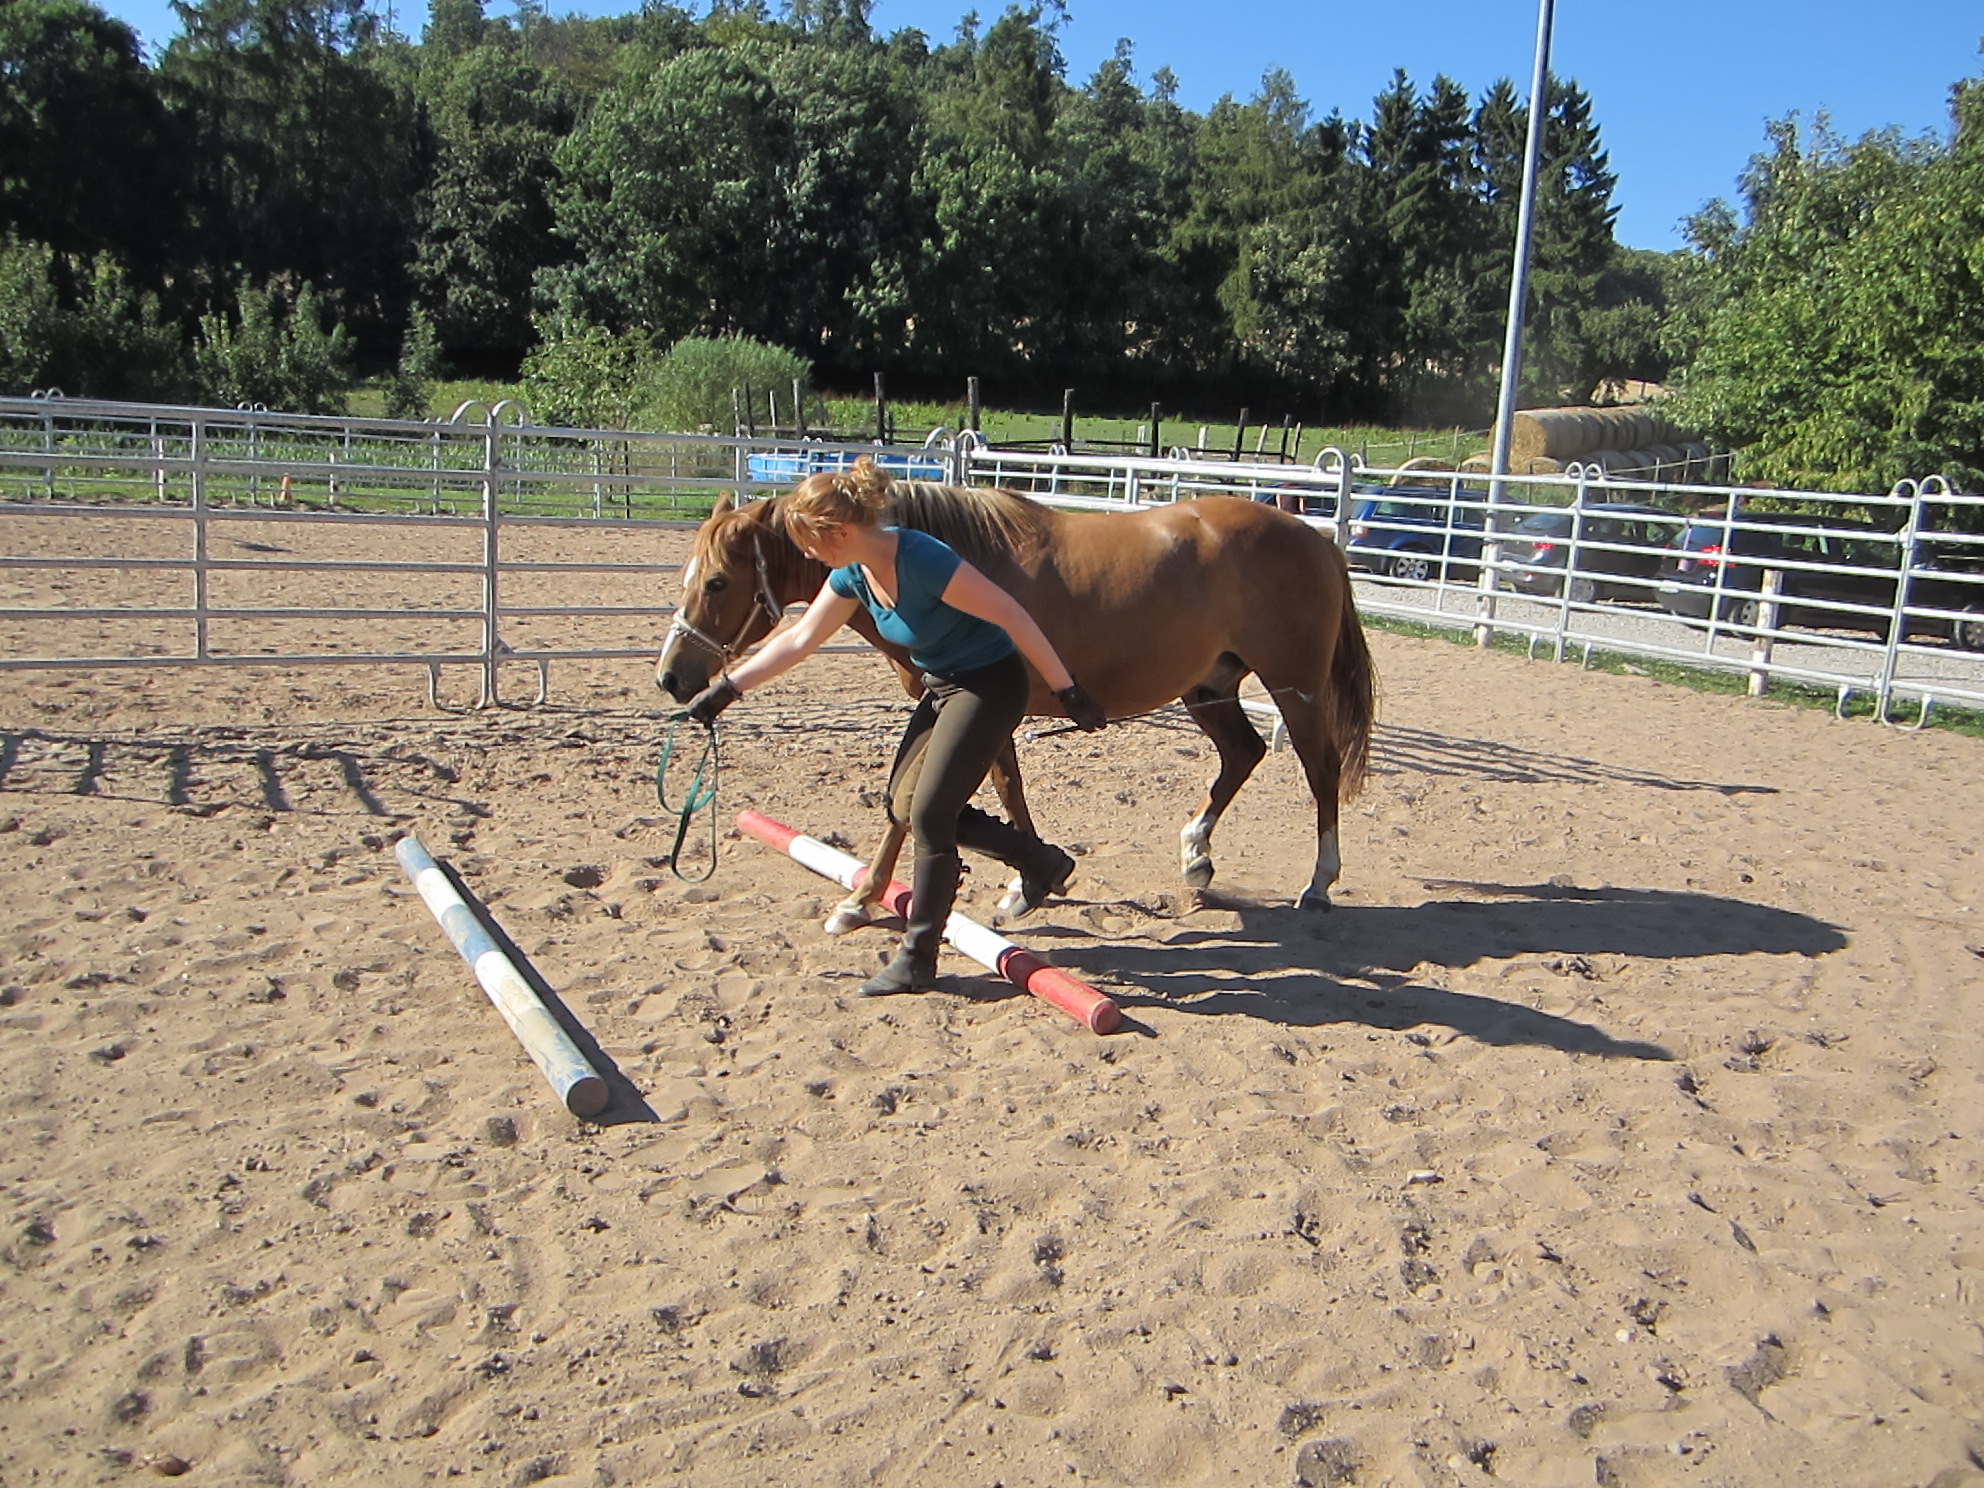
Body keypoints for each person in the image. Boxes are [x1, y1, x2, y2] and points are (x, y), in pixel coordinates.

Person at [682, 458, 1107, 997]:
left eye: (811, 544)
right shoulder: (851, 573)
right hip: (944, 686)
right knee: (902, 805)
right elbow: (797, 640)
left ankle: (918, 958)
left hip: (989, 684)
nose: (807, 555)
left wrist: (1067, 689)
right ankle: (1038, 859)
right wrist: (725, 691)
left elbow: (1011, 613)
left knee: (930, 813)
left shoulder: (923, 559)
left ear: (840, 532)